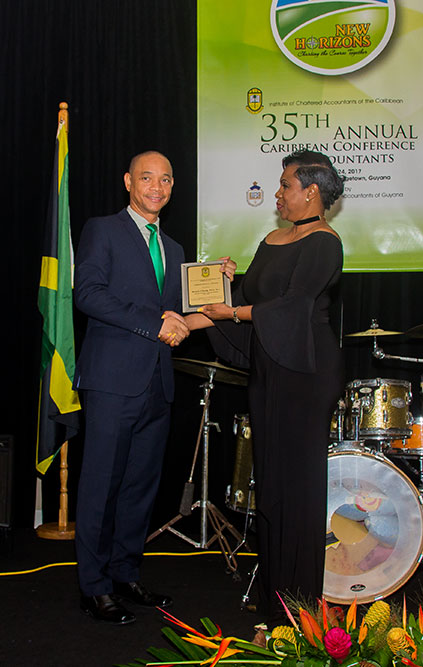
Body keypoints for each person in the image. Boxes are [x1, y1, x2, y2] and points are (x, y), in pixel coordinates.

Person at [186, 149, 345, 618]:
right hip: (269, 368)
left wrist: (233, 311)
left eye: (285, 185)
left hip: (305, 373)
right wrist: (183, 320)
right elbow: (242, 300)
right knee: (271, 486)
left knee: (298, 489)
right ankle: (276, 602)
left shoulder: (325, 242)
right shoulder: (273, 238)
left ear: (311, 192)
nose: (277, 194)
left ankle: (300, 609)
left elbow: (291, 308)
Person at [73, 150, 189, 625]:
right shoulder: (102, 230)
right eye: (147, 178)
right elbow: (88, 294)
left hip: (157, 384)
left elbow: (179, 314)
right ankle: (94, 587)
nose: (156, 187)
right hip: (112, 383)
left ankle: (125, 574)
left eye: (166, 179)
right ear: (128, 181)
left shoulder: (174, 249)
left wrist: (216, 284)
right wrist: (152, 324)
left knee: (140, 488)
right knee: (101, 486)